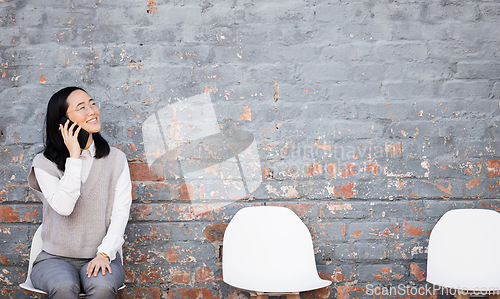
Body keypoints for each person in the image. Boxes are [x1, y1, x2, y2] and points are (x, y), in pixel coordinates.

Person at [27, 87, 132, 298]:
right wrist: (74, 157)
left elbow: (121, 212)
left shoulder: (116, 159)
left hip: (101, 255)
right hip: (53, 258)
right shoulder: (44, 163)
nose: (92, 111)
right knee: (64, 286)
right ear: (63, 122)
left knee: (102, 286)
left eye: (92, 103)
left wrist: (104, 254)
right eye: (81, 108)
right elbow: (64, 207)